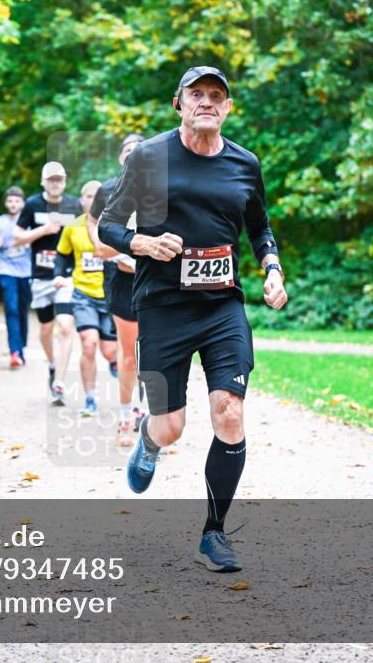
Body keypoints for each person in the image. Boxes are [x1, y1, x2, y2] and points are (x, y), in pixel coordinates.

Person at [98, 66, 288, 573]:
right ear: (178, 104)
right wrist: (143, 243)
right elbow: (109, 226)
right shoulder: (149, 157)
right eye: (196, 94)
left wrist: (272, 269)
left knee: (229, 413)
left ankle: (214, 533)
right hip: (163, 305)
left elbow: (260, 227)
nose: (207, 102)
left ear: (228, 108)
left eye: (216, 96)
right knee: (171, 427)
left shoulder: (245, 163)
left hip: (222, 305)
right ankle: (149, 439)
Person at [88, 133, 147, 445]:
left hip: (156, 279)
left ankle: (152, 414)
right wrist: (103, 245)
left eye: (139, 149)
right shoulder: (107, 189)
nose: (132, 154)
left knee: (154, 353)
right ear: (121, 157)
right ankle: (127, 414)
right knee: (128, 356)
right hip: (123, 279)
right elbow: (93, 223)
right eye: (127, 150)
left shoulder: (163, 189)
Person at [13, 162, 81, 396]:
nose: (55, 183)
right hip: (41, 276)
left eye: (59, 179)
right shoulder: (32, 204)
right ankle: (52, 364)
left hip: (67, 275)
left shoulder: (74, 205)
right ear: (43, 182)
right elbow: (17, 238)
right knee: (45, 329)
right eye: (51, 179)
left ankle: (59, 380)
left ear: (65, 181)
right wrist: (43, 230)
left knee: (65, 326)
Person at [55, 180, 118, 416]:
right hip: (83, 293)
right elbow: (62, 255)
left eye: (97, 196)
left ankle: (114, 361)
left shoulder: (115, 225)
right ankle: (90, 399)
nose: (93, 201)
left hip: (110, 294)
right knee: (88, 344)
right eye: (89, 196)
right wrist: (58, 275)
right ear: (82, 201)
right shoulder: (72, 227)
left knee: (110, 351)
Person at [0, 187, 32, 368]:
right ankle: (15, 351)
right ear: (6, 203)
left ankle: (21, 347)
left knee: (22, 310)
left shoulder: (29, 221)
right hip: (6, 270)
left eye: (17, 201)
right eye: (10, 201)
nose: (13, 204)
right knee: (11, 308)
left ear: (23, 204)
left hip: (26, 271)